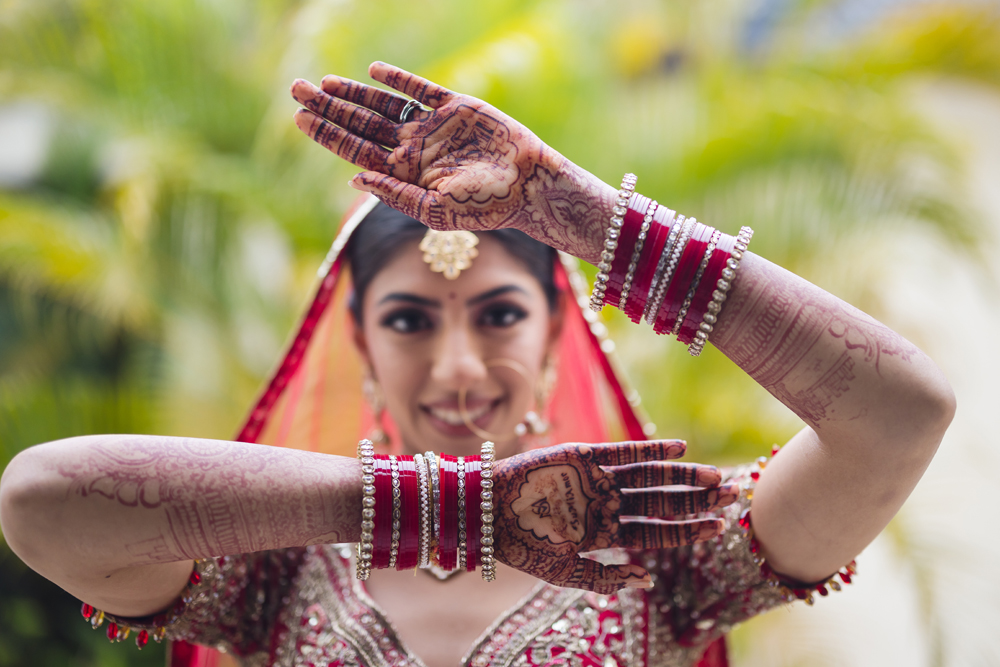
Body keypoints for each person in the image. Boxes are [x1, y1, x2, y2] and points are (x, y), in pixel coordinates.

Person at [0, 62, 954, 667]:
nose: (458, 366)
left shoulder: (663, 555)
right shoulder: (275, 576)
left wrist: (586, 216)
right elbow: (40, 499)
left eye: (499, 314)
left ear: (554, 336)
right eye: (411, 321)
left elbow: (900, 412)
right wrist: (461, 511)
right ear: (363, 346)